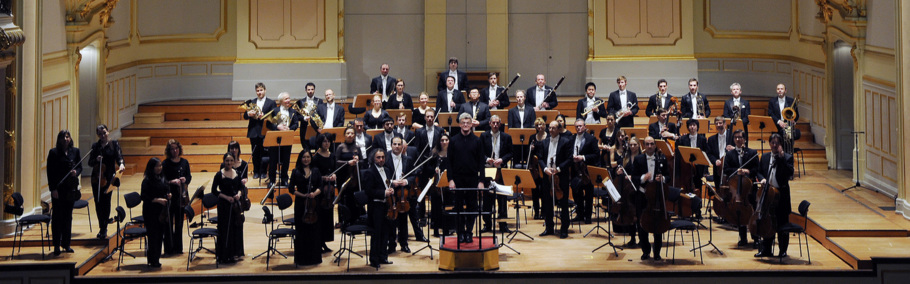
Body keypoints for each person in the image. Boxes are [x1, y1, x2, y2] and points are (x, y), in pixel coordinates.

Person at [628, 136, 669, 260]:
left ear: (655, 145)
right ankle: (646, 251)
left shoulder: (661, 158)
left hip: (657, 197)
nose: (650, 146)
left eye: (652, 144)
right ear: (644, 146)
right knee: (642, 224)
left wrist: (663, 178)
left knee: (658, 224)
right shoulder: (639, 159)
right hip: (642, 195)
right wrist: (643, 178)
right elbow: (634, 177)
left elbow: (668, 176)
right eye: (647, 144)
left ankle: (657, 252)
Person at [448, 113, 487, 243]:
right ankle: (460, 232)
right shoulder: (453, 140)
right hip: (457, 178)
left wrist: (481, 181)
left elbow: (481, 163)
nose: (465, 125)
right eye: (463, 123)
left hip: (472, 178)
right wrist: (450, 180)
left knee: (472, 207)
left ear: (471, 124)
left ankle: (469, 231)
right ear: (459, 124)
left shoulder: (477, 140)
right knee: (458, 207)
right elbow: (449, 162)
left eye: (468, 123)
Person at [755, 133, 794, 258]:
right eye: (773, 142)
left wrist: (781, 158)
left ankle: (783, 250)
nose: (775, 145)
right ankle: (766, 250)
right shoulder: (765, 157)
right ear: (770, 143)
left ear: (781, 144)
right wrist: (761, 179)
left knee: (782, 223)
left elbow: (789, 174)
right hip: (768, 194)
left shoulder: (787, 158)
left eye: (777, 143)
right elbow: (759, 172)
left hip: (781, 196)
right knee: (767, 222)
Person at [46, 130, 81, 256]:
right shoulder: (54, 153)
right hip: (58, 190)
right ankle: (56, 245)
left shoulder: (75, 151)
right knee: (57, 218)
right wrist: (53, 189)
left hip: (70, 189)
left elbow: (79, 166)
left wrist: (76, 172)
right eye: (63, 137)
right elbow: (50, 172)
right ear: (59, 139)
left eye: (67, 136)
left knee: (68, 217)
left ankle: (66, 244)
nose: (66, 139)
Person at [723, 129, 759, 247]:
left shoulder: (752, 153)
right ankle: (743, 238)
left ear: (745, 139)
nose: (738, 139)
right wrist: (737, 171)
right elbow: (726, 170)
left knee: (753, 211)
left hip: (749, 189)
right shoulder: (729, 154)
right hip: (736, 189)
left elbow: (757, 170)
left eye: (740, 137)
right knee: (739, 212)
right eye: (736, 137)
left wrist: (747, 171)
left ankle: (756, 237)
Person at [89, 124, 125, 239]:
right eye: (100, 134)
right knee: (98, 203)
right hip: (96, 178)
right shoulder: (95, 147)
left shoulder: (114, 144)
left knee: (106, 201)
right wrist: (96, 160)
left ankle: (104, 227)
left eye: (104, 132)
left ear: (108, 132)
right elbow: (90, 162)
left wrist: (121, 164)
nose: (103, 135)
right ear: (98, 135)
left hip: (109, 177)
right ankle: (102, 226)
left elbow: (119, 157)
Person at [386, 136, 422, 253]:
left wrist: (405, 181)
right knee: (391, 219)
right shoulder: (385, 158)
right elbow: (382, 176)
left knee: (403, 219)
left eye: (399, 144)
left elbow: (413, 175)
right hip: (391, 192)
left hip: (404, 193)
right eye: (394, 144)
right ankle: (391, 244)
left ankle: (404, 243)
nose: (397, 146)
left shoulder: (408, 159)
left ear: (403, 146)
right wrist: (392, 182)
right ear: (391, 145)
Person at [288, 150, 324, 265]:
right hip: (301, 204)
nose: (306, 159)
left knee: (314, 231)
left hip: (314, 204)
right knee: (301, 231)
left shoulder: (316, 171)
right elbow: (291, 189)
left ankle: (314, 258)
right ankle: (302, 259)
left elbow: (320, 186)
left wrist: (314, 194)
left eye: (308, 157)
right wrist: (303, 195)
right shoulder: (295, 171)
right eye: (304, 157)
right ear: (300, 158)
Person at [538, 121, 571, 238]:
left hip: (561, 176)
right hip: (547, 176)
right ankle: (549, 228)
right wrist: (545, 168)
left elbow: (569, 159)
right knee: (547, 203)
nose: (550, 130)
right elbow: (540, 159)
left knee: (563, 203)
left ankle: (564, 229)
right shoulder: (544, 142)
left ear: (559, 129)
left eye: (553, 128)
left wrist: (558, 169)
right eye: (549, 128)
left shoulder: (566, 142)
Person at [480, 115, 513, 233]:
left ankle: (503, 225)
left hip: (501, 171)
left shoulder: (506, 137)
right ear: (489, 123)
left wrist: (502, 160)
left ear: (500, 124)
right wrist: (486, 159)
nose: (495, 125)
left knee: (502, 199)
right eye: (493, 123)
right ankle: (487, 224)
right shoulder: (484, 136)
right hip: (488, 170)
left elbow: (510, 153)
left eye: (497, 123)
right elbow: (480, 153)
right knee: (488, 200)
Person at [364, 148, 395, 269]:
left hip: (386, 206)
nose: (381, 159)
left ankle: (383, 256)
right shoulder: (369, 172)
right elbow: (369, 191)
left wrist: (391, 190)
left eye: (383, 157)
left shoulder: (387, 170)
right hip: (376, 207)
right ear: (373, 158)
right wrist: (384, 193)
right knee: (376, 234)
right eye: (378, 157)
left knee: (385, 232)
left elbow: (387, 184)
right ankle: (374, 259)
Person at [211, 153, 243, 264]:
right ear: (224, 161)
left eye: (231, 160)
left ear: (234, 161)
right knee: (225, 229)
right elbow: (214, 191)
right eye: (227, 160)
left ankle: (233, 254)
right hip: (224, 205)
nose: (229, 163)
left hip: (235, 205)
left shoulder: (237, 173)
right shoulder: (219, 174)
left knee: (234, 228)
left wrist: (238, 194)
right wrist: (226, 197)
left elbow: (241, 188)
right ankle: (224, 254)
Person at [162, 139, 191, 254]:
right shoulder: (165, 164)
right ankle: (169, 248)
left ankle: (178, 248)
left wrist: (185, 179)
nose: (175, 151)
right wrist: (171, 181)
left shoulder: (184, 162)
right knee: (168, 224)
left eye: (176, 148)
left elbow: (189, 177)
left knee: (179, 223)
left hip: (181, 196)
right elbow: (163, 180)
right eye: (172, 149)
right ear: (169, 151)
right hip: (170, 195)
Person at [267, 92, 301, 187]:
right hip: (275, 138)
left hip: (287, 138)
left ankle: (284, 179)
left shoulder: (293, 111)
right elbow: (268, 124)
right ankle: (272, 180)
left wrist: (289, 129)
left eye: (289, 98)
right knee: (273, 160)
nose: (288, 101)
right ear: (281, 101)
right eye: (286, 99)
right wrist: (278, 127)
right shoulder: (274, 110)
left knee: (286, 160)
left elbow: (296, 124)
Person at [243, 82, 277, 179]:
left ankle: (263, 172)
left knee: (265, 153)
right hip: (254, 131)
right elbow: (245, 116)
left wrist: (265, 116)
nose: (259, 92)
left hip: (265, 131)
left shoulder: (271, 102)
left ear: (265, 90)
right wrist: (248, 114)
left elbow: (274, 117)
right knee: (255, 153)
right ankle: (256, 171)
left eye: (261, 90)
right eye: (257, 91)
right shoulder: (251, 102)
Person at [140, 157, 169, 268]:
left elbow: (165, 189)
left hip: (161, 211)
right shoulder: (147, 180)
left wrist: (168, 195)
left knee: (160, 235)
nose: (159, 168)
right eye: (157, 166)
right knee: (153, 236)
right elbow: (143, 196)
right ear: (151, 168)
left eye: (160, 165)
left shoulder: (161, 178)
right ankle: (152, 260)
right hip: (150, 211)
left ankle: (156, 259)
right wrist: (157, 200)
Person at [311, 134, 336, 253]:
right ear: (320, 143)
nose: (326, 143)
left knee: (328, 217)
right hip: (320, 190)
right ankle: (318, 242)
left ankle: (324, 242)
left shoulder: (332, 156)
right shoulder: (315, 158)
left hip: (329, 192)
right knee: (320, 217)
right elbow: (314, 175)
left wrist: (334, 176)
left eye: (328, 141)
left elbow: (335, 170)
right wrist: (323, 178)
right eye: (324, 141)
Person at [570, 120, 598, 224]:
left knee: (588, 194)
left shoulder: (591, 139)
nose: (578, 128)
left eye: (580, 126)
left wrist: (583, 157)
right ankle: (580, 214)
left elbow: (596, 155)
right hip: (575, 169)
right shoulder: (572, 138)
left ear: (585, 126)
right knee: (576, 193)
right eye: (576, 126)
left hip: (587, 171)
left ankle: (588, 216)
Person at [335, 126, 364, 223]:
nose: (350, 135)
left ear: (355, 135)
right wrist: (347, 162)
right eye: (348, 133)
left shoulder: (357, 147)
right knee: (343, 197)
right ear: (344, 135)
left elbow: (363, 161)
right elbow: (336, 162)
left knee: (354, 198)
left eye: (352, 133)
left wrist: (358, 161)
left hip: (354, 177)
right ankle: (343, 220)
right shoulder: (340, 147)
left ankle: (355, 219)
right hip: (343, 176)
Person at [426, 133, 453, 236]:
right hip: (437, 185)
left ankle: (447, 229)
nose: (444, 142)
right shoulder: (434, 153)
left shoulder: (452, 152)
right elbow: (428, 168)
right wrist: (434, 169)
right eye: (442, 140)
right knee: (436, 207)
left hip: (447, 183)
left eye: (446, 140)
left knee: (447, 206)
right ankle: (436, 229)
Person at [227, 141, 249, 257]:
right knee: (230, 224)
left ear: (239, 149)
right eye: (232, 148)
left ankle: (239, 251)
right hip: (229, 197)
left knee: (239, 223)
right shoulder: (226, 164)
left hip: (240, 197)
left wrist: (245, 181)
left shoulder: (244, 163)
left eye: (236, 148)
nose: (234, 150)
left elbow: (245, 179)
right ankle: (230, 250)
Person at [528, 118, 549, 219]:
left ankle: (544, 212)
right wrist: (530, 148)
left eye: (541, 125)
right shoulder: (532, 137)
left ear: (545, 126)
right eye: (537, 125)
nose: (539, 127)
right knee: (535, 190)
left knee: (544, 190)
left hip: (544, 165)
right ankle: (536, 212)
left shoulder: (548, 137)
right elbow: (530, 155)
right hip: (535, 168)